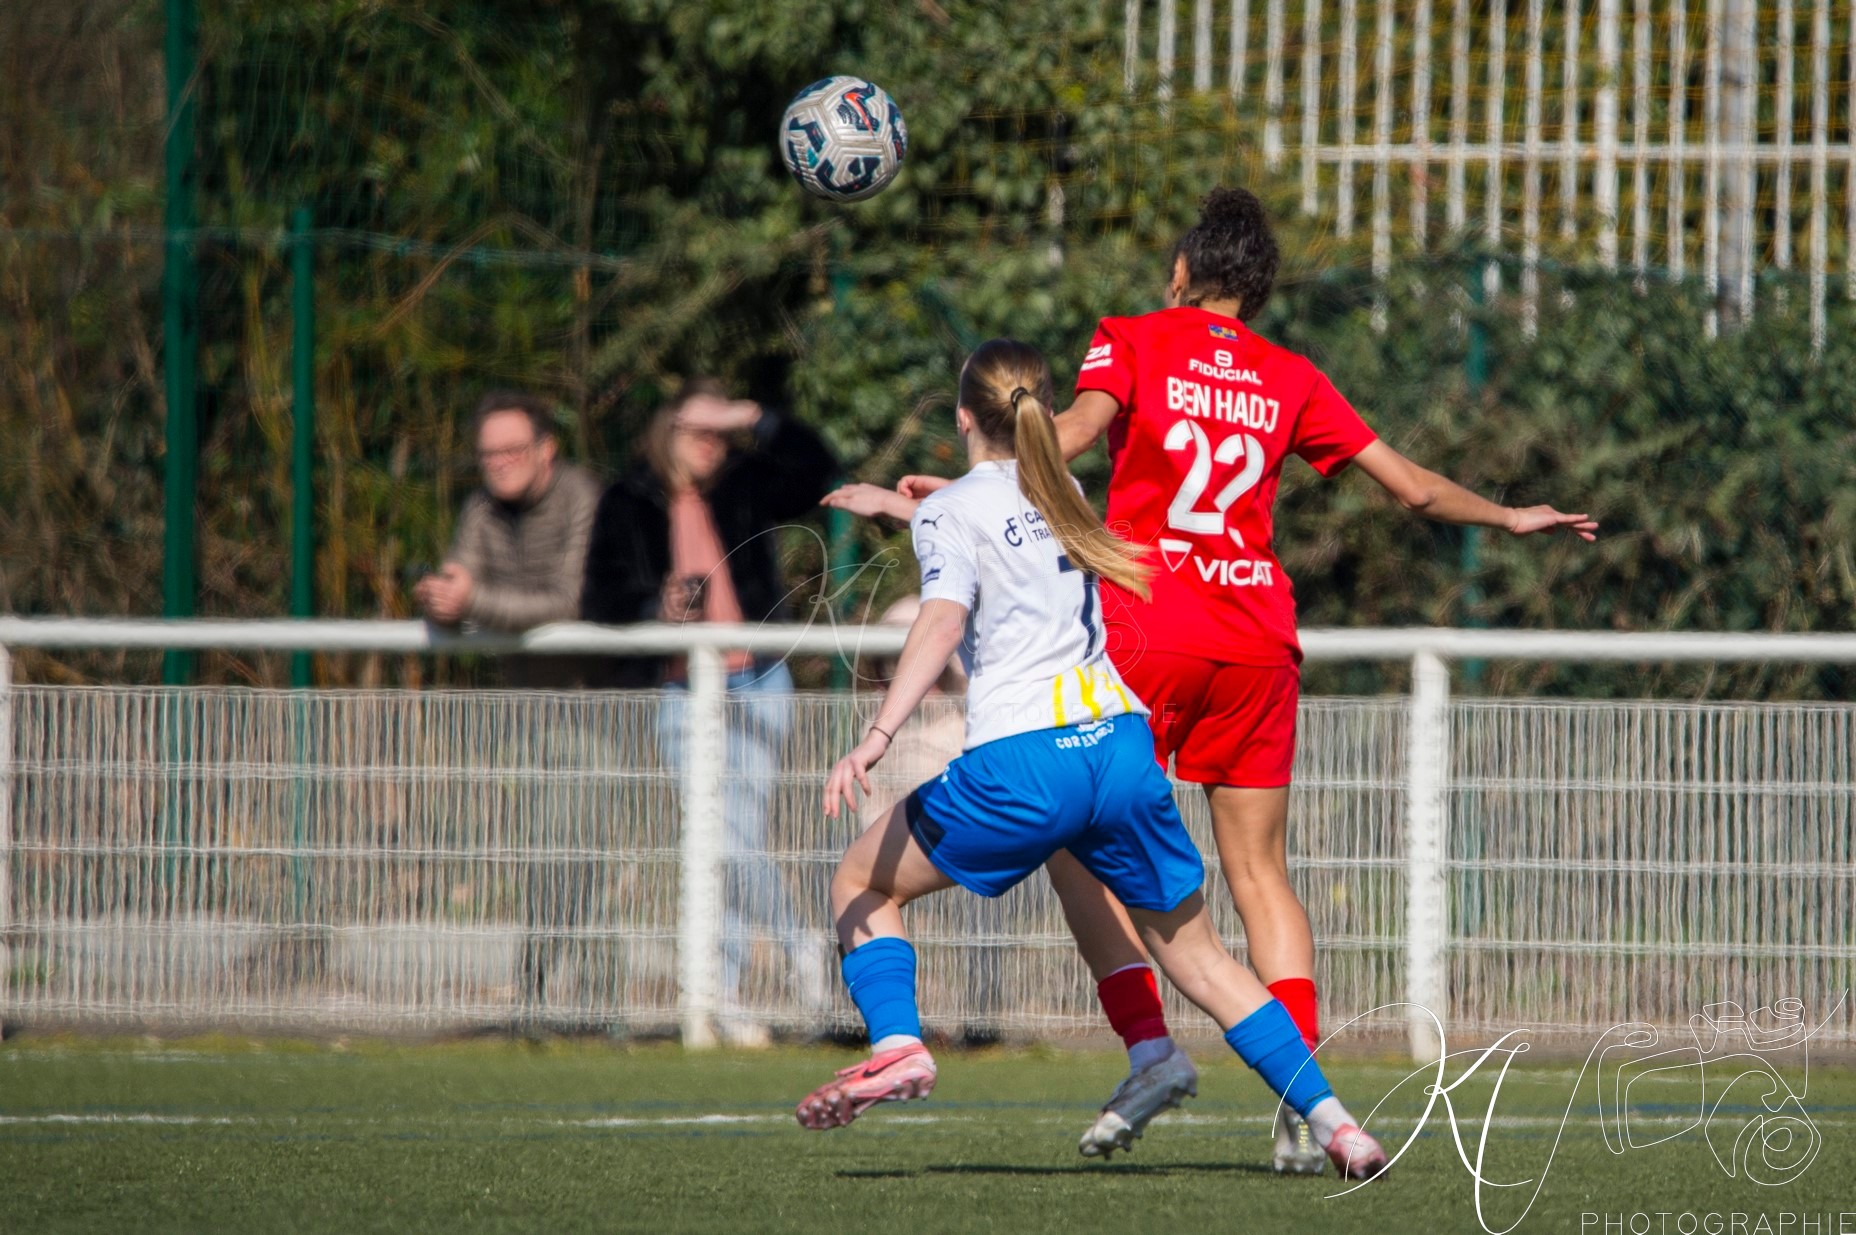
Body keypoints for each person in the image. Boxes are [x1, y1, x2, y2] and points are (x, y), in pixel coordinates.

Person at [826, 187, 1595, 1171]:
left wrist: (966, 496)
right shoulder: (1289, 374)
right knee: (1259, 873)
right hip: (1255, 637)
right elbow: (1406, 486)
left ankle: (1147, 1046)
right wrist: (1506, 515)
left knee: (1073, 834)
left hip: (1144, 623)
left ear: (1182, 269)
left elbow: (1052, 441)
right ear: (1259, 292)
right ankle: (1297, 1090)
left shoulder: (1135, 339)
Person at [796, 339, 1390, 1182]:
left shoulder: (959, 508)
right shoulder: (1066, 489)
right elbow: (1014, 532)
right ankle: (1340, 1128)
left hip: (1023, 762)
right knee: (1203, 958)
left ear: (962, 416)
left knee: (863, 881)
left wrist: (878, 733)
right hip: (1118, 749)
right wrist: (916, 511)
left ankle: (898, 1044)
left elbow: (937, 619)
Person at [582, 380, 838, 1044]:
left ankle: (730, 986)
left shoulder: (748, 481)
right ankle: (773, 960)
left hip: (757, 677)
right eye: (696, 427)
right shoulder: (628, 498)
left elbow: (819, 468)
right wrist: (655, 608)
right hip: (680, 687)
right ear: (665, 428)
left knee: (734, 832)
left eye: (719, 430)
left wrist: (755, 412)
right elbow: (601, 598)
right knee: (715, 834)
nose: (711, 442)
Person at [414, 391, 602, 688]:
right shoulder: (481, 507)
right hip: (518, 705)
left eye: (513, 450)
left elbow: (570, 601)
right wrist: (439, 602)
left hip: (597, 704)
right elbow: (459, 582)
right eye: (488, 454)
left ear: (547, 449)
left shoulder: (582, 497)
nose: (500, 463)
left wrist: (470, 600)